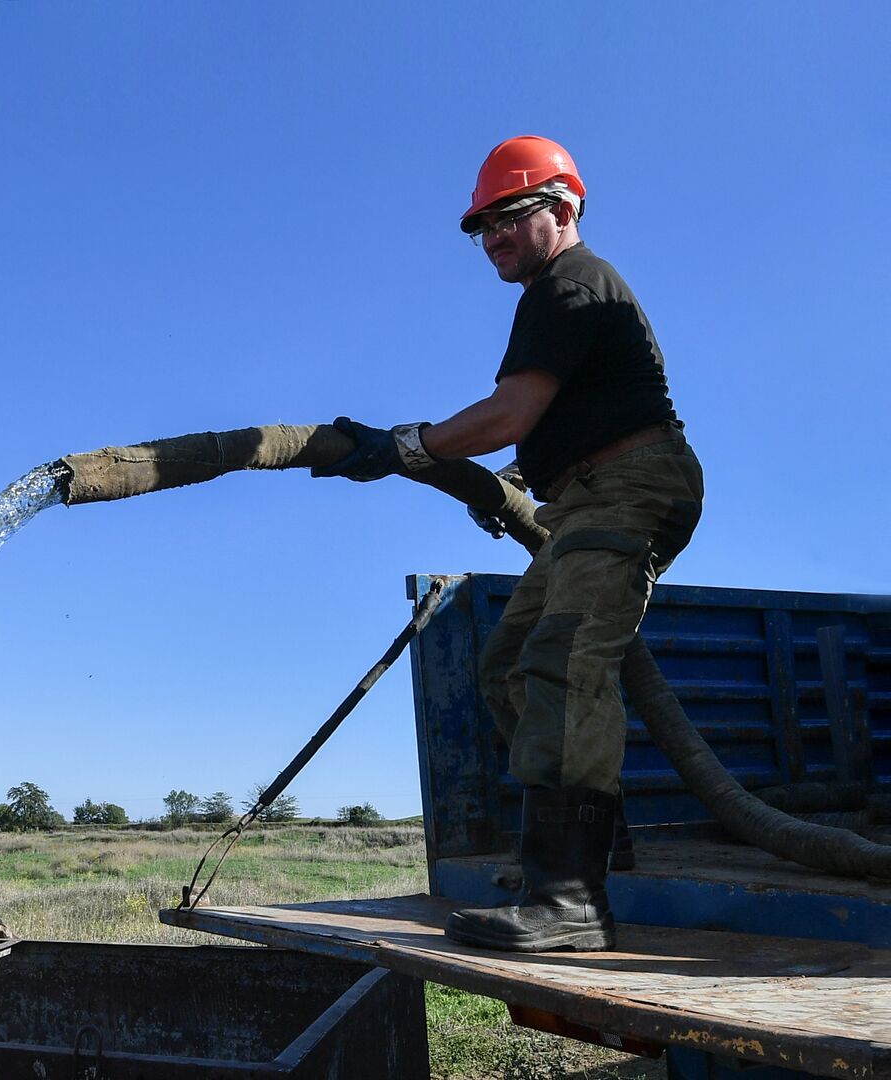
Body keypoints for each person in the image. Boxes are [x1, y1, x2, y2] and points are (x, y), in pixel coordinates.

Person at [312, 135, 704, 952]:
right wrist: (520, 482)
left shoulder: (570, 284)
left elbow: (508, 414)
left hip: (630, 488)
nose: (490, 236)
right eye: (479, 226)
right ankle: (599, 848)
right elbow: (551, 422)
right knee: (510, 663)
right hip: (587, 493)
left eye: (506, 217)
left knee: (564, 661)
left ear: (562, 208)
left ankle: (570, 901)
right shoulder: (562, 293)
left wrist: (403, 447)